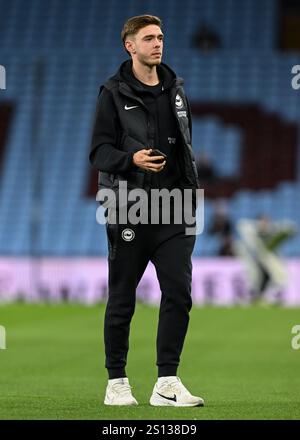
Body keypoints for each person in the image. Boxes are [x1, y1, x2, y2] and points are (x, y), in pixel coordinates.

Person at [89, 15, 204, 407]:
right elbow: (99, 151)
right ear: (130, 46)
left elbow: (185, 147)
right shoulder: (112, 93)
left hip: (174, 209)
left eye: (161, 37)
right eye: (149, 38)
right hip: (129, 207)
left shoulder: (176, 89)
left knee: (179, 293)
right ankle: (116, 382)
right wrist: (131, 159)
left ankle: (166, 382)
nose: (158, 44)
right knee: (122, 297)